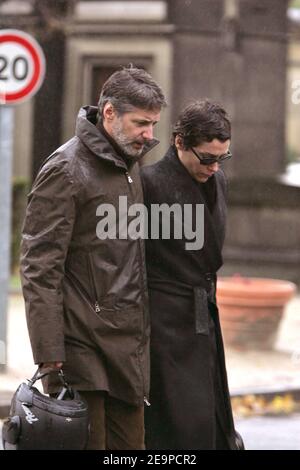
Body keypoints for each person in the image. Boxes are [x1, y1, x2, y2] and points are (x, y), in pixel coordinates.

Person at [20, 66, 166, 450]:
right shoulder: (65, 169)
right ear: (110, 113)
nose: (150, 135)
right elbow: (39, 267)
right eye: (142, 123)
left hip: (127, 348)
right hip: (80, 350)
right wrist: (50, 354)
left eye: (153, 124)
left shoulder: (128, 163)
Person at [141, 100, 244, 450]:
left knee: (210, 424)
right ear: (179, 142)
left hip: (203, 318)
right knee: (176, 428)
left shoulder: (218, 181)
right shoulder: (148, 185)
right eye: (207, 158)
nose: (214, 167)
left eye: (221, 158)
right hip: (162, 325)